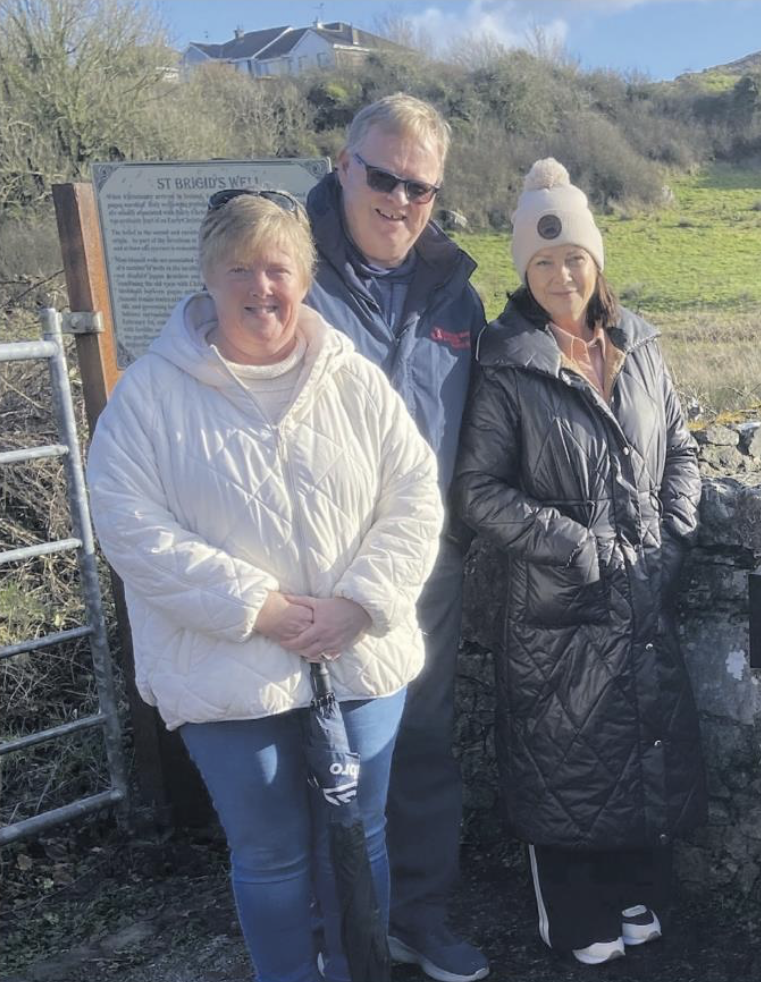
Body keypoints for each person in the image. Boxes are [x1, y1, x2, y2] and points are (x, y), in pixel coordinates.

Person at [86, 190, 444, 982]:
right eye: (239, 268)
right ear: (208, 277)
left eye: (278, 267)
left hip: (358, 655)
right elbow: (129, 529)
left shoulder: (351, 379)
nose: (261, 287)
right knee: (274, 855)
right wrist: (262, 608)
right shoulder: (148, 396)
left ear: (305, 279)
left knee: (359, 838)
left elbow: (414, 495)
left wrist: (360, 601)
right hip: (226, 666)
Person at [454, 158, 706, 966]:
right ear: (524, 271)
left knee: (637, 749)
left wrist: (669, 537)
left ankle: (634, 895)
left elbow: (684, 452)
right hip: (557, 606)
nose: (562, 275)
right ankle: (574, 916)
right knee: (564, 761)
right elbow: (479, 492)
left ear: (597, 260)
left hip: (640, 591)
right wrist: (581, 548)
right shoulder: (508, 361)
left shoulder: (640, 346)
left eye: (574, 258)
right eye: (542, 262)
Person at [303, 93, 489, 982]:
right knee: (310, 747)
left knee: (420, 742)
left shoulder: (461, 295)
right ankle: (330, 928)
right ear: (343, 166)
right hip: (312, 568)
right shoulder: (286, 273)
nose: (401, 200)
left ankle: (417, 914)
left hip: (425, 573)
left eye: (421, 187)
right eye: (383, 176)